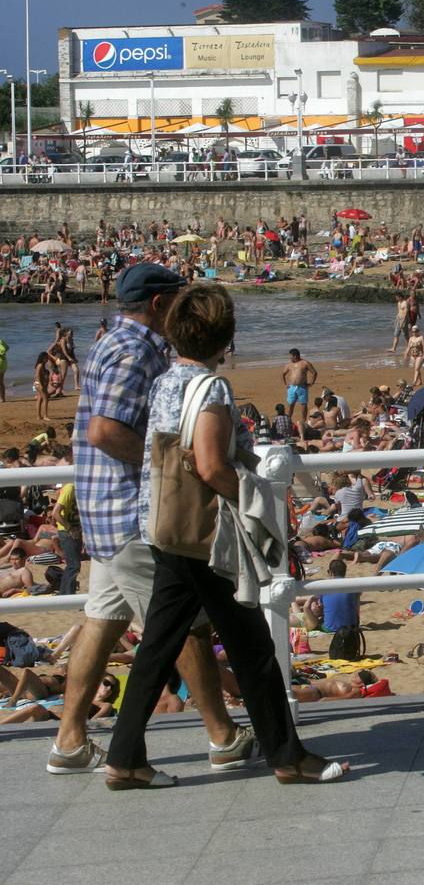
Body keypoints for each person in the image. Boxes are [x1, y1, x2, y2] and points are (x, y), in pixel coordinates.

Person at [105, 283, 347, 789]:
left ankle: (125, 756)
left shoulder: (165, 380)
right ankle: (287, 756)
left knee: (156, 647)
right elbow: (212, 465)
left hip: (166, 529)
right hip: (206, 536)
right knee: (252, 648)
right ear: (226, 336)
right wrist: (254, 498)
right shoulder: (209, 388)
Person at [51, 264, 256, 776]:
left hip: (104, 509)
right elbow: (104, 431)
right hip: (129, 511)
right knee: (183, 623)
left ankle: (70, 740)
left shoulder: (112, 341)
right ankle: (222, 734)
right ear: (162, 304)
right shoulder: (136, 349)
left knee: (103, 622)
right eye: (179, 299)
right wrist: (162, 466)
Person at [282, 348, 318, 425]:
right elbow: (283, 374)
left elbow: (314, 373)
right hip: (291, 387)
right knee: (290, 404)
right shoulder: (289, 365)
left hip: (302, 387)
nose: (290, 358)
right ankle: (288, 419)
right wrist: (285, 384)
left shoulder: (305, 363)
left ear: (295, 356)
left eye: (291, 356)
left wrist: (311, 383)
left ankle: (304, 420)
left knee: (303, 404)